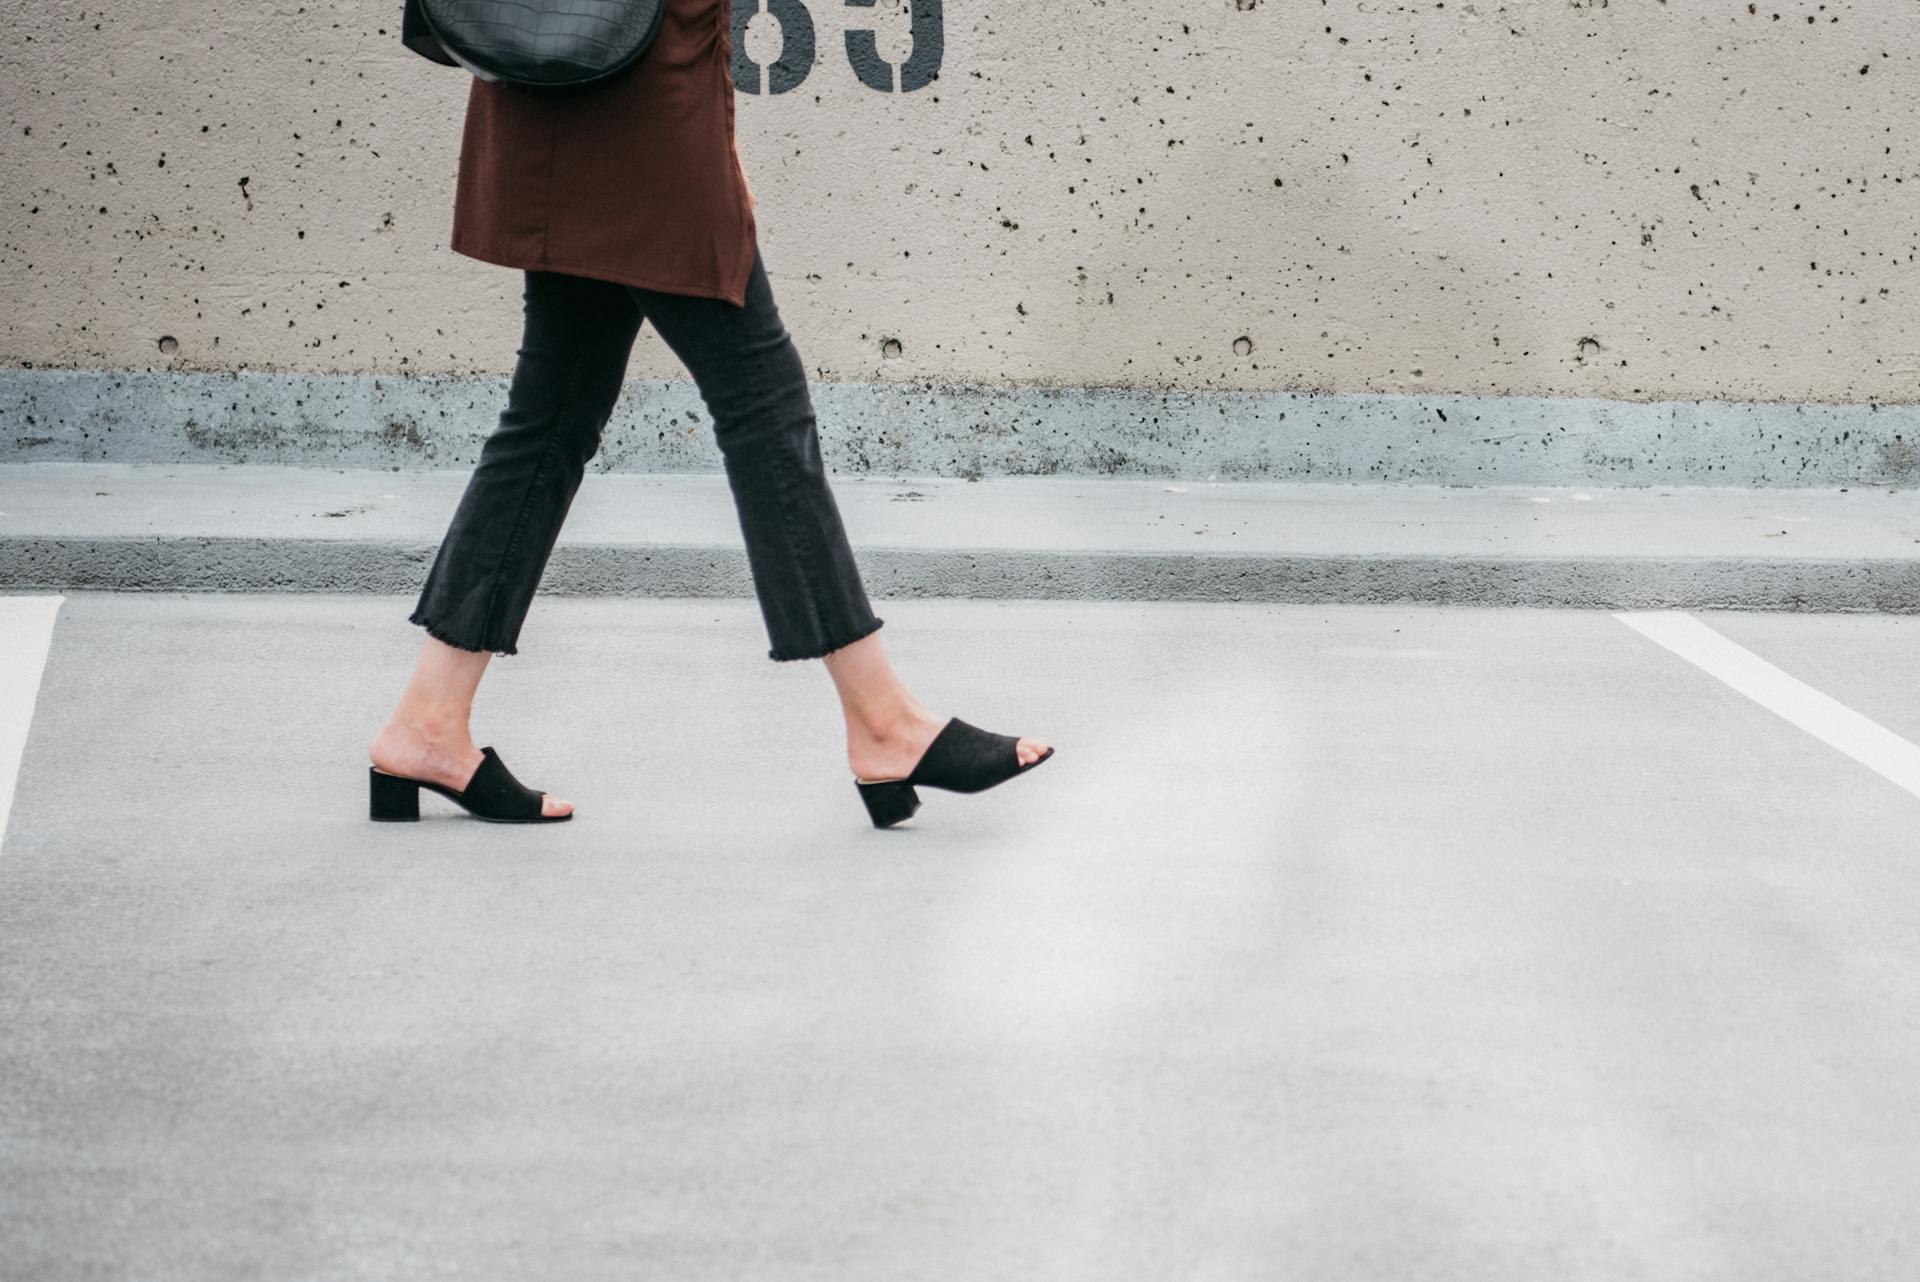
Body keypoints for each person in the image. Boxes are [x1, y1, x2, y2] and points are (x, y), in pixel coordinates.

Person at [368, 0, 1051, 827]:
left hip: (587, 82)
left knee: (552, 414)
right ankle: (885, 723)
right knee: (760, 400)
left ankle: (428, 721)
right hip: (635, 102)